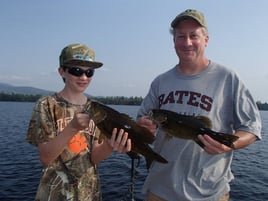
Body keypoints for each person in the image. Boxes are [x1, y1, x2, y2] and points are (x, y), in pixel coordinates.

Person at [136, 9, 262, 201]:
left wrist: (228, 145)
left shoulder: (228, 78)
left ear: (206, 40)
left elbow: (252, 128)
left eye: (193, 35)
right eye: (181, 36)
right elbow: (142, 123)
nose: (187, 42)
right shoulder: (160, 82)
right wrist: (145, 128)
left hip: (209, 193)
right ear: (174, 42)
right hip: (160, 190)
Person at [26, 43, 131, 201]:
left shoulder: (96, 109)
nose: (83, 77)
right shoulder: (46, 105)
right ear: (62, 71)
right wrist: (72, 127)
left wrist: (110, 144)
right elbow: (45, 158)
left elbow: (94, 158)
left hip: (90, 194)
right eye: (76, 71)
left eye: (89, 72)